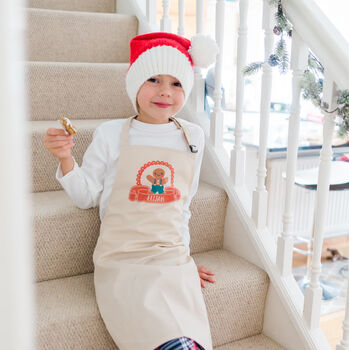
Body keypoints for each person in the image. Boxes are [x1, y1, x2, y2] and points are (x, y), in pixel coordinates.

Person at [43, 31, 219, 350]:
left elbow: (184, 205)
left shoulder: (193, 136)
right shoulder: (111, 134)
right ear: (134, 83)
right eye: (154, 79)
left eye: (176, 83)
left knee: (189, 335)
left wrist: (186, 260)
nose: (165, 91)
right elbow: (86, 196)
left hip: (170, 254)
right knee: (157, 331)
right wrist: (65, 157)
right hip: (122, 256)